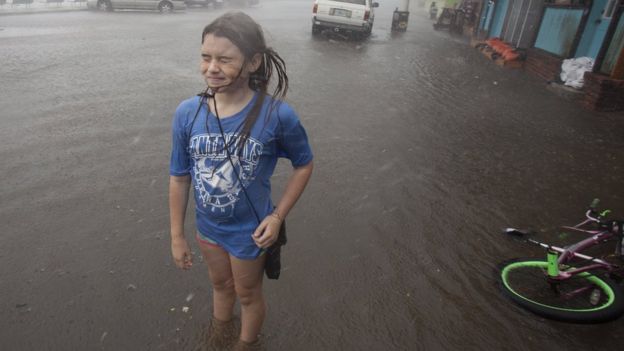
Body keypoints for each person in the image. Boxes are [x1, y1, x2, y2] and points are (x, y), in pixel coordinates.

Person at [168, 12, 314, 351]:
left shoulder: (278, 115)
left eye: (224, 59)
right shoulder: (187, 113)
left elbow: (304, 165)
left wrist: (277, 217)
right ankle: (219, 336)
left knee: (247, 293)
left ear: (252, 62)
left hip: (251, 231)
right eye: (206, 57)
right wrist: (176, 236)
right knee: (220, 286)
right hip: (208, 228)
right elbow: (179, 177)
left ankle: (246, 345)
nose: (211, 67)